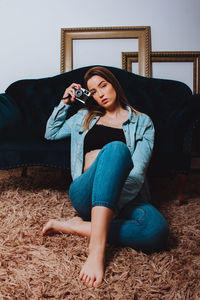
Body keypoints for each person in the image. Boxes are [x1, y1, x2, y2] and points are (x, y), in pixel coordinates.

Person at [42, 66, 169, 288]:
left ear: (114, 85)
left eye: (103, 85)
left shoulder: (142, 122)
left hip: (125, 195)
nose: (100, 94)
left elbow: (137, 174)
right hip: (85, 193)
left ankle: (74, 226)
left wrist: (113, 207)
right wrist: (65, 102)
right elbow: (51, 133)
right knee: (116, 149)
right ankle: (96, 250)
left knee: (157, 230)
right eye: (92, 91)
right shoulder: (84, 117)